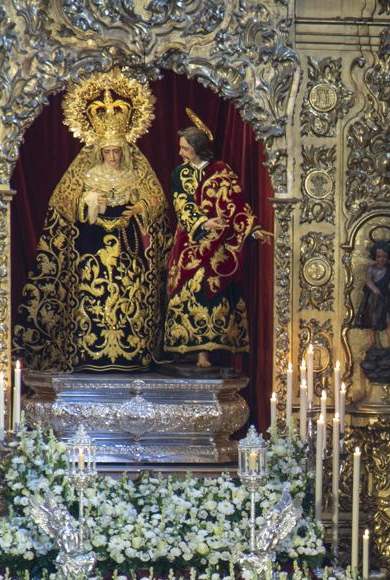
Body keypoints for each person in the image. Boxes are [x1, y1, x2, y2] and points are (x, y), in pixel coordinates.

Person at [16, 71, 169, 372]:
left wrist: (141, 207)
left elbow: (157, 202)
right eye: (107, 151)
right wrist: (86, 203)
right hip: (92, 246)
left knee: (130, 296)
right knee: (92, 298)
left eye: (116, 151)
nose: (112, 156)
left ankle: (133, 352)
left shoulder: (136, 174)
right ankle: (89, 353)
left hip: (129, 248)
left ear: (124, 150)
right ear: (98, 151)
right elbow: (63, 204)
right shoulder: (86, 175)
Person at [162, 110, 272, 369]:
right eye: (181, 149)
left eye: (185, 149)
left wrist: (253, 229)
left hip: (219, 245)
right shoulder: (180, 174)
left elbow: (238, 204)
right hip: (191, 242)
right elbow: (182, 204)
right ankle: (190, 350)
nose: (181, 153)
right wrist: (202, 223)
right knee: (189, 291)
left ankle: (208, 353)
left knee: (215, 294)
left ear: (198, 149)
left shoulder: (222, 172)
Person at [353, 240, 390, 345]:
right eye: (379, 257)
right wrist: (374, 289)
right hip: (373, 298)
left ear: (388, 257)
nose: (382, 259)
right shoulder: (372, 268)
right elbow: (368, 280)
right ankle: (373, 344)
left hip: (384, 297)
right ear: (375, 256)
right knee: (371, 321)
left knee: (388, 319)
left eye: (384, 257)